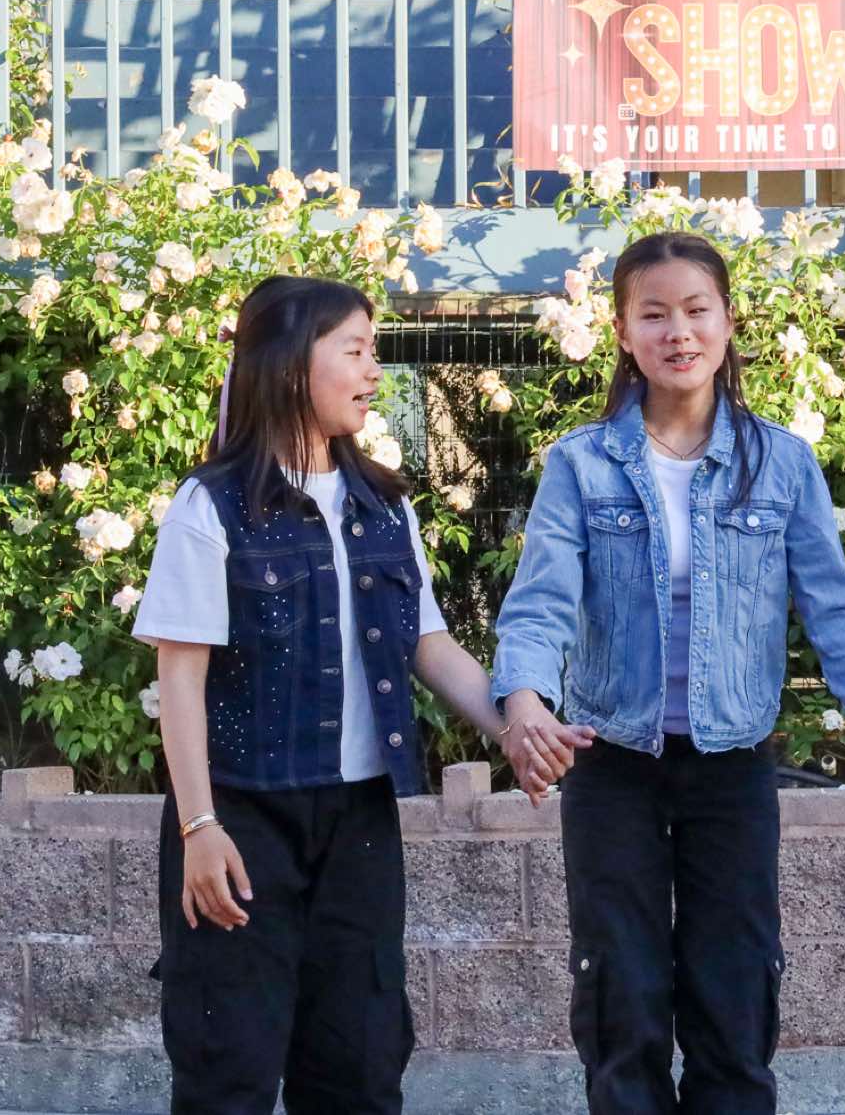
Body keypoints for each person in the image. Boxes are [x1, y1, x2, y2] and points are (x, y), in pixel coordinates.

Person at [493, 229, 845, 1115]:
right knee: (622, 996)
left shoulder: (780, 462)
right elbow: (541, 601)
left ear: (729, 321)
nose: (678, 331)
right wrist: (526, 704)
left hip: (732, 769)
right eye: (653, 314)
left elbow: (840, 617)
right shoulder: (579, 464)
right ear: (622, 331)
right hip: (611, 765)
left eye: (696, 309)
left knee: (734, 994)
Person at [131, 275, 590, 1114]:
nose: (375, 371)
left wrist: (516, 728)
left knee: (361, 1061)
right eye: (355, 350)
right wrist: (200, 827)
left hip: (359, 820)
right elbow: (181, 674)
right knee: (228, 1063)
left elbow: (428, 643)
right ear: (289, 364)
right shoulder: (211, 504)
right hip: (241, 815)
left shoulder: (383, 503)